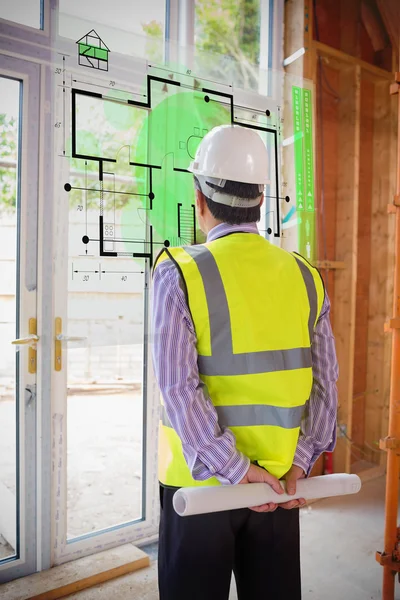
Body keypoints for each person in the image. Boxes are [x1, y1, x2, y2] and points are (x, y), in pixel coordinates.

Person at [152, 124, 338, 600]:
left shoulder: (180, 272)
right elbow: (326, 385)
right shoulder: (304, 275)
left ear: (200, 198)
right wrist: (299, 461)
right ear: (261, 200)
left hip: (198, 489)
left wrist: (233, 469)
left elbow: (178, 389)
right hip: (279, 484)